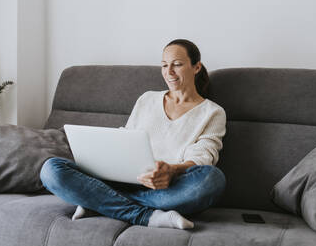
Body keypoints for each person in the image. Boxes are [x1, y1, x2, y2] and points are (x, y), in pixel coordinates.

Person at [40, 39, 227, 229]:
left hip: (165, 189)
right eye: (164, 65)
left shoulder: (213, 112)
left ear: (196, 67)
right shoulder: (147, 99)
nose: (169, 72)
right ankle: (145, 216)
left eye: (177, 65)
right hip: (120, 180)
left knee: (212, 180)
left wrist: (171, 171)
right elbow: (126, 139)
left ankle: (97, 202)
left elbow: (203, 158)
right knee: (51, 169)